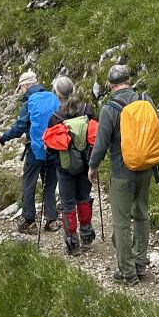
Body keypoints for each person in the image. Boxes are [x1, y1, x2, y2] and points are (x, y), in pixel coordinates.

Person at [89, 62, 159, 285]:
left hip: (121, 172)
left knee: (122, 221)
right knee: (142, 214)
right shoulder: (145, 100)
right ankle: (140, 263)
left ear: (109, 84)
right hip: (146, 168)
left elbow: (101, 143)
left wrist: (92, 166)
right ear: (129, 81)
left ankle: (127, 272)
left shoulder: (109, 109)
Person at [0, 70, 59, 232]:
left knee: (29, 184)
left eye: (21, 88)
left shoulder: (29, 102)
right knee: (50, 184)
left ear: (26, 85)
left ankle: (30, 221)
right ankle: (52, 220)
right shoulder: (53, 97)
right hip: (54, 148)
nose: (22, 91)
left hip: (35, 148)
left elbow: (19, 128)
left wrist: (1, 139)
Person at [46, 75, 97, 255]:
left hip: (65, 167)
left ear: (56, 94)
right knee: (84, 198)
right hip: (86, 164)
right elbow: (95, 137)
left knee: (68, 204)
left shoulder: (55, 117)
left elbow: (51, 148)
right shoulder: (87, 110)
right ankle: (86, 235)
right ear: (72, 90)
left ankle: (72, 242)